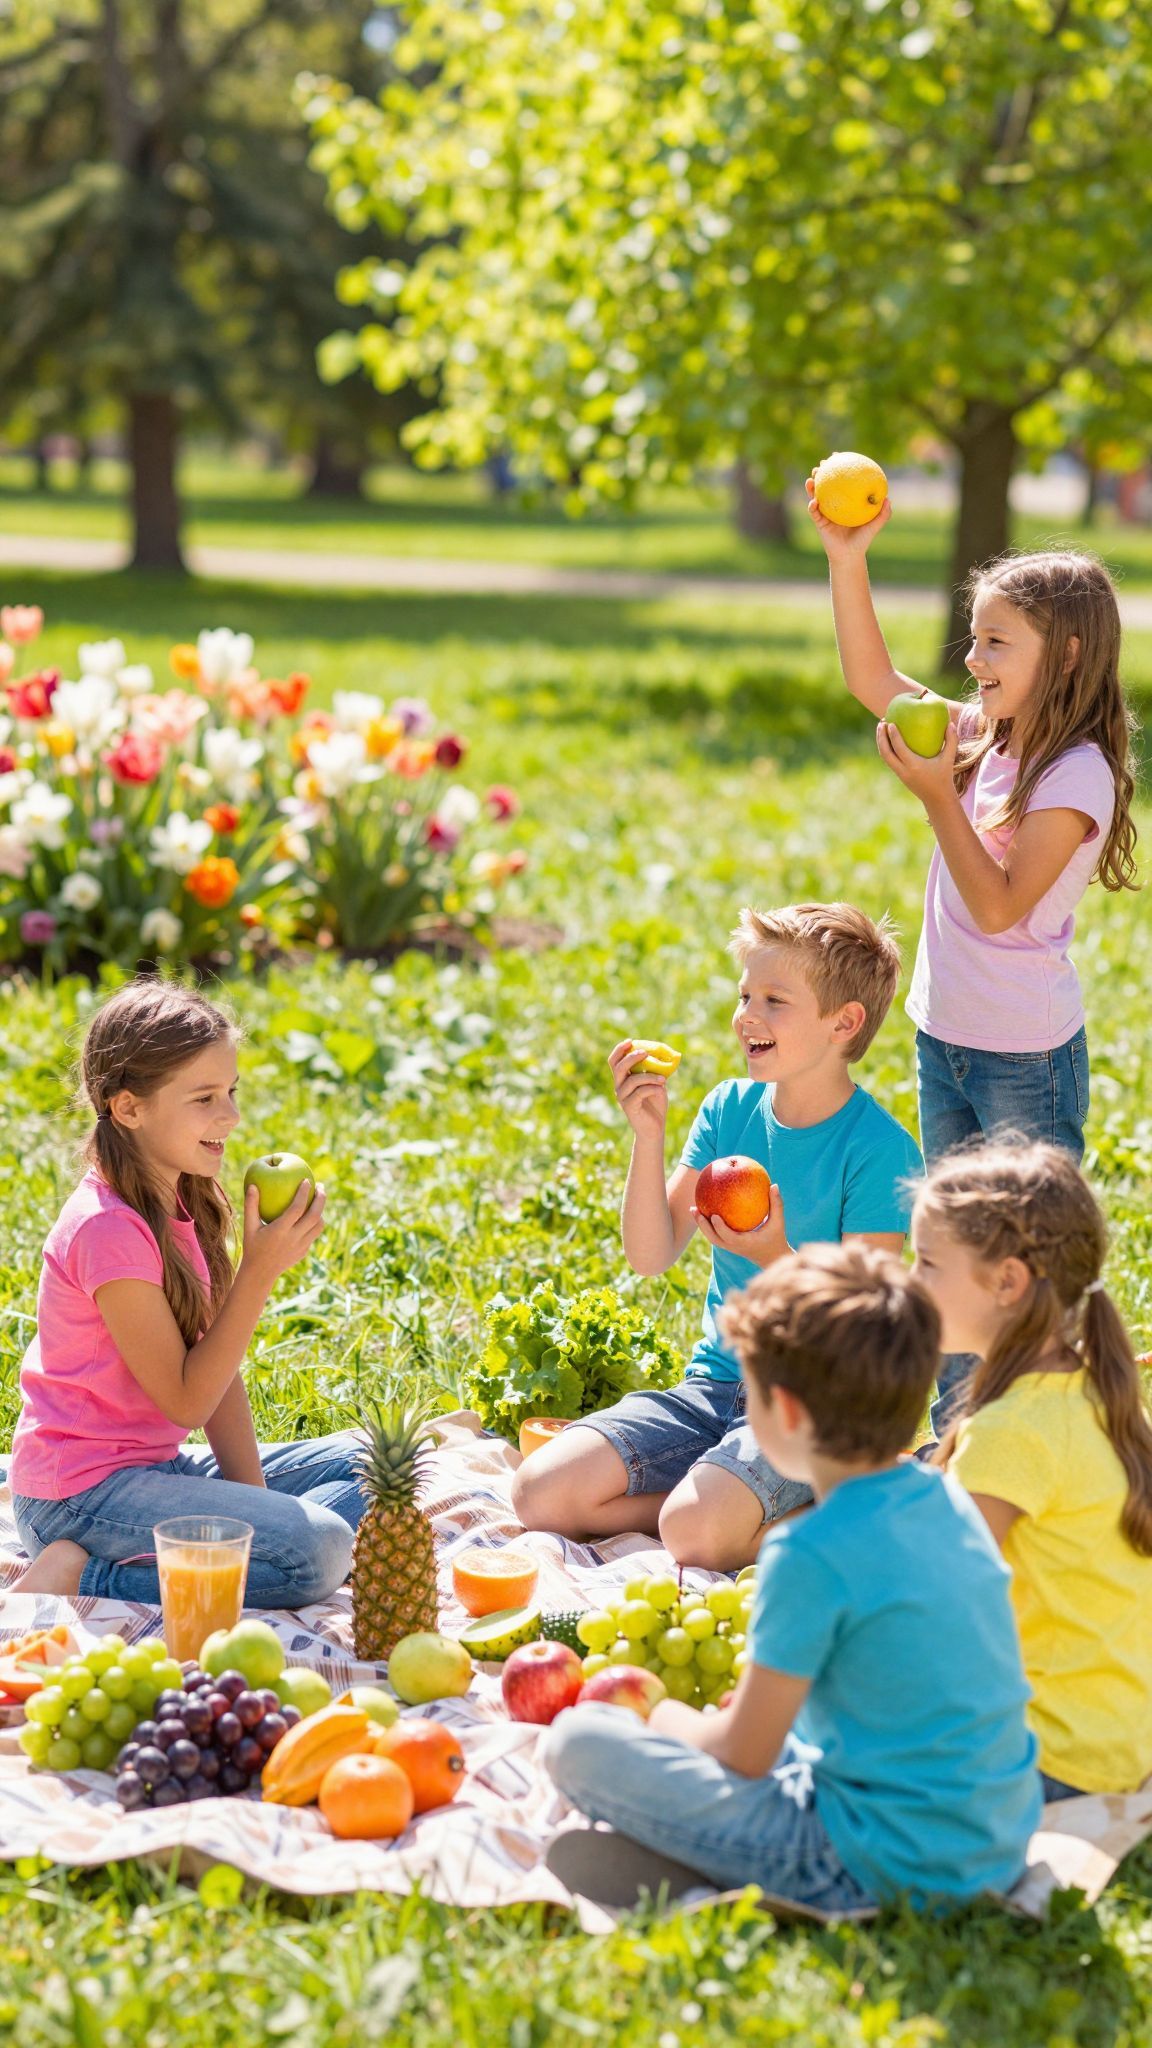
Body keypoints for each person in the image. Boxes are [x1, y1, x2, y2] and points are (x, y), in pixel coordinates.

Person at [545, 1243, 1041, 1911]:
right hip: (997, 1838)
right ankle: (696, 1856)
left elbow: (743, 1754)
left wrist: (660, 1713)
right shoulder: (947, 1498)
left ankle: (709, 1874)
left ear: (789, 1413)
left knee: (578, 1745)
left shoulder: (808, 1552)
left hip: (875, 1860)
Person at [808, 494, 1137, 1427]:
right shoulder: (987, 737)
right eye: (974, 639)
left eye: (998, 644)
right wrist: (847, 555)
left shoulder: (1076, 775)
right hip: (943, 1036)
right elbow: (872, 677)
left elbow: (998, 909)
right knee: (952, 1256)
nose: (973, 659)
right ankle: (964, 1443)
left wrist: (933, 798)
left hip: (1023, 1062)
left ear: (1065, 655)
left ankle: (1043, 1439)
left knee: (1019, 1270)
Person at [512, 902, 923, 1570]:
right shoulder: (728, 1109)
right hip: (715, 1385)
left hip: (811, 1406)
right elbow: (650, 1257)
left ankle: (828, 1498)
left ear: (844, 1023)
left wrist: (773, 1260)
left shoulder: (880, 1150)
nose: (746, 1017)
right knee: (537, 1492)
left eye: (775, 1001)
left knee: (692, 1536)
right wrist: (649, 1137)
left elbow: (864, 1340)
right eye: (745, 995)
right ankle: (727, 1492)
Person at [5, 978, 365, 1609]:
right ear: (128, 1108)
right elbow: (183, 1401)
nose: (230, 1116)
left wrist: (252, 1508)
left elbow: (217, 1371)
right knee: (321, 1552)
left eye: (231, 1092)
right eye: (204, 1098)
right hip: (79, 1497)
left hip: (153, 1470)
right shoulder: (106, 1228)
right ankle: (82, 1577)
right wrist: (258, 1274)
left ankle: (247, 1542)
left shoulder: (181, 1196)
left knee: (369, 1470)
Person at [912, 1139, 1152, 1801]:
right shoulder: (1097, 1393)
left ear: (1009, 1282)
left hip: (1042, 1761)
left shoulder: (1010, 1432)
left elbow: (937, 1605)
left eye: (928, 1263)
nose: (912, 1281)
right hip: (1113, 1740)